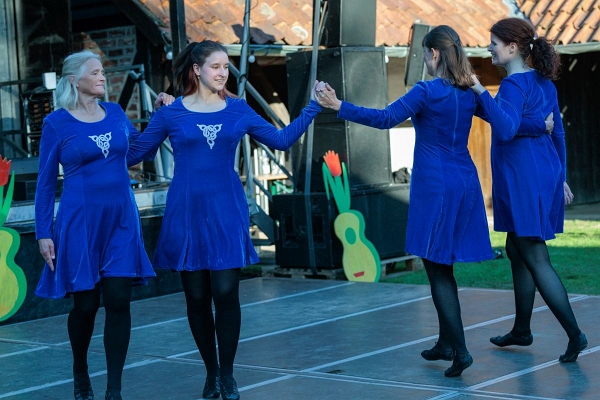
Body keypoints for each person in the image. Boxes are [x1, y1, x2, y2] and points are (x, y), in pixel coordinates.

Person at [315, 25, 549, 377]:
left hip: (435, 187)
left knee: (437, 269)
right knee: (443, 263)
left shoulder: (425, 91)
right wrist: (541, 126)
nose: (424, 60)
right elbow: (508, 124)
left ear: (434, 53)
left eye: (425, 54)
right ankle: (444, 343)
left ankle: (461, 352)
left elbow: (384, 119)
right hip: (465, 183)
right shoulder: (469, 92)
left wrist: (338, 105)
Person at [126, 40, 322, 399]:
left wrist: (312, 107)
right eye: (215, 66)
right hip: (186, 212)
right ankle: (211, 373)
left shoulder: (237, 110)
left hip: (226, 211)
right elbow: (136, 152)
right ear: (197, 69)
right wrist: (117, 122)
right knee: (197, 298)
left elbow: (280, 140)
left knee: (226, 291)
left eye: (225, 67)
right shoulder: (171, 113)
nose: (223, 73)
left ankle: (228, 375)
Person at [35, 50, 173, 400]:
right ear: (74, 80)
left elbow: (138, 152)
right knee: (85, 306)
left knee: (119, 300)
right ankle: (81, 373)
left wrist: (159, 116)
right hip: (80, 223)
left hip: (121, 219)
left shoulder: (114, 113)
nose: (102, 77)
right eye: (95, 72)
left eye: (102, 71)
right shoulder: (56, 123)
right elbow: (45, 183)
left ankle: (114, 390)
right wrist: (43, 232)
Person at [471, 17, 587, 362]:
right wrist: (561, 176)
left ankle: (575, 335)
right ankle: (522, 329)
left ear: (512, 47)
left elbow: (507, 129)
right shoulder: (543, 82)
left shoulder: (511, 85)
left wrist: (480, 91)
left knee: (534, 254)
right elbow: (556, 133)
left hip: (523, 177)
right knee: (516, 248)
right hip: (543, 171)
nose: (489, 48)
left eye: (494, 43)